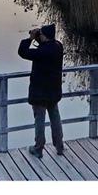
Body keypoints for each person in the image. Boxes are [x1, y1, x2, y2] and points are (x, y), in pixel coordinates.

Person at [17, 23, 65, 158]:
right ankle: (59, 146)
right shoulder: (57, 46)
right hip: (54, 91)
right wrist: (39, 37)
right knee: (55, 118)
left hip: (39, 93)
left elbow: (23, 52)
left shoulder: (43, 51)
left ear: (45, 36)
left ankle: (38, 148)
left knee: (39, 120)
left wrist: (30, 38)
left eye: (41, 34)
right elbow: (42, 45)